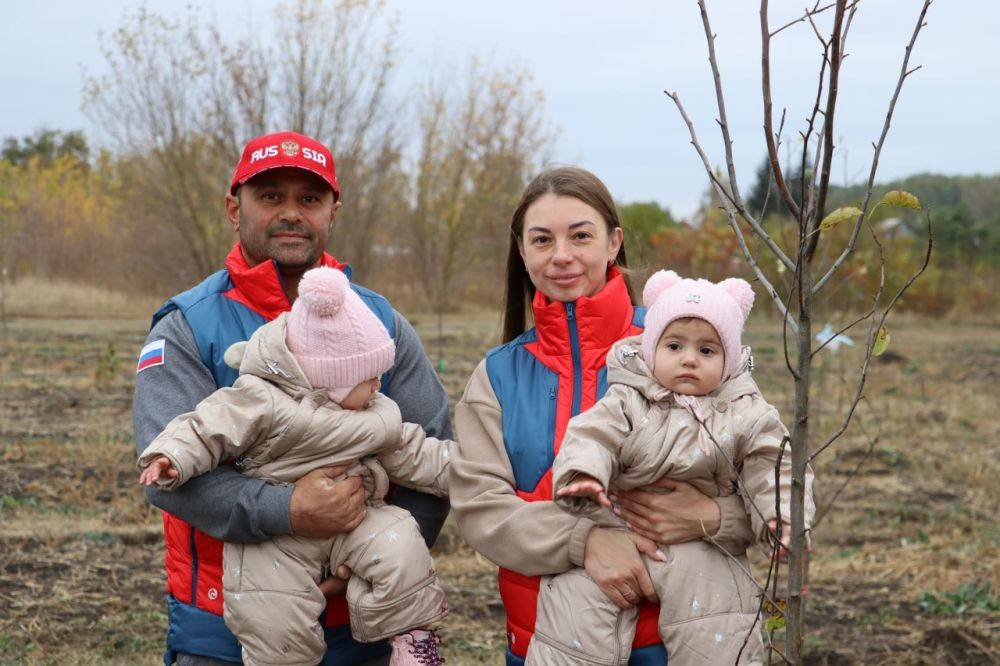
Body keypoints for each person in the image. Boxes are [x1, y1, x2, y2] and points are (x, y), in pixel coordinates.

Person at [133, 130, 451, 665]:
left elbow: (431, 450)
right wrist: (289, 510)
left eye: (309, 199)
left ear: (333, 211)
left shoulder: (382, 323)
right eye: (271, 196)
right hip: (222, 629)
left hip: (361, 626)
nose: (291, 213)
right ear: (235, 209)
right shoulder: (186, 327)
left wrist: (372, 557)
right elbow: (170, 480)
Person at [450, 166, 756, 666]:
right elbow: (481, 509)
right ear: (522, 251)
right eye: (543, 240)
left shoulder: (687, 351)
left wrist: (714, 518)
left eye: (581, 235)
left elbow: (765, 475)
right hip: (549, 641)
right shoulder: (498, 375)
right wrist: (584, 540)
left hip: (685, 641)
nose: (563, 255)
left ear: (614, 242)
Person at [529, 270, 817, 665]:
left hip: (705, 545)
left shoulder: (745, 412)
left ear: (729, 359)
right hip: (619, 529)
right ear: (651, 348)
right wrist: (584, 474)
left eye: (707, 351)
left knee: (719, 620)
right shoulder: (628, 399)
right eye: (675, 345)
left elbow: (772, 463)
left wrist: (781, 519)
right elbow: (593, 435)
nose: (688, 359)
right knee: (574, 605)